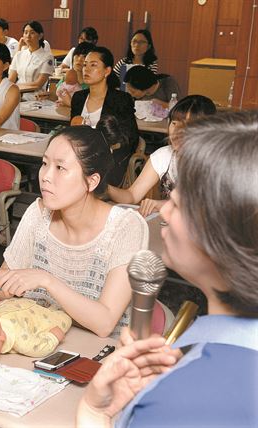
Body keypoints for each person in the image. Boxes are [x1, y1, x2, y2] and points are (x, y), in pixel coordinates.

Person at [77, 111, 258, 428]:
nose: (166, 210)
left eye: (179, 201)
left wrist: (95, 412)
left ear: (223, 237)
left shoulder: (189, 397)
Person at [0, 126, 148, 338]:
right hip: (41, 337)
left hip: (101, 353)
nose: (45, 176)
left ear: (92, 181)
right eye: (45, 164)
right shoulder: (38, 213)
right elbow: (5, 273)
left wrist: (47, 280)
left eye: (60, 168)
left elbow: (105, 323)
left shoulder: (125, 227)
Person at [108, 95, 216, 217]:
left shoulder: (216, 162)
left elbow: (206, 210)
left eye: (187, 127)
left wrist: (163, 205)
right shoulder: (164, 156)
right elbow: (132, 195)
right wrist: (104, 188)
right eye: (174, 123)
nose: (177, 132)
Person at [71, 46, 138, 185]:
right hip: (79, 158)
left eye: (93, 65)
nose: (86, 69)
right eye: (85, 65)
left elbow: (130, 138)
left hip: (109, 161)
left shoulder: (121, 99)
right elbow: (73, 131)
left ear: (107, 71)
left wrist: (106, 148)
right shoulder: (78, 98)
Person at [9, 21, 54, 99]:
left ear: (40, 36)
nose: (28, 36)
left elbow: (38, 84)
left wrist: (16, 86)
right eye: (25, 33)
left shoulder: (47, 56)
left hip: (35, 97)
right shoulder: (19, 55)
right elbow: (11, 79)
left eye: (32, 33)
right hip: (16, 95)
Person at [55, 41, 93, 107]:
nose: (79, 59)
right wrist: (46, 95)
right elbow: (55, 95)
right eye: (77, 55)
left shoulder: (91, 85)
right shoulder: (67, 77)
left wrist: (69, 104)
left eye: (84, 56)